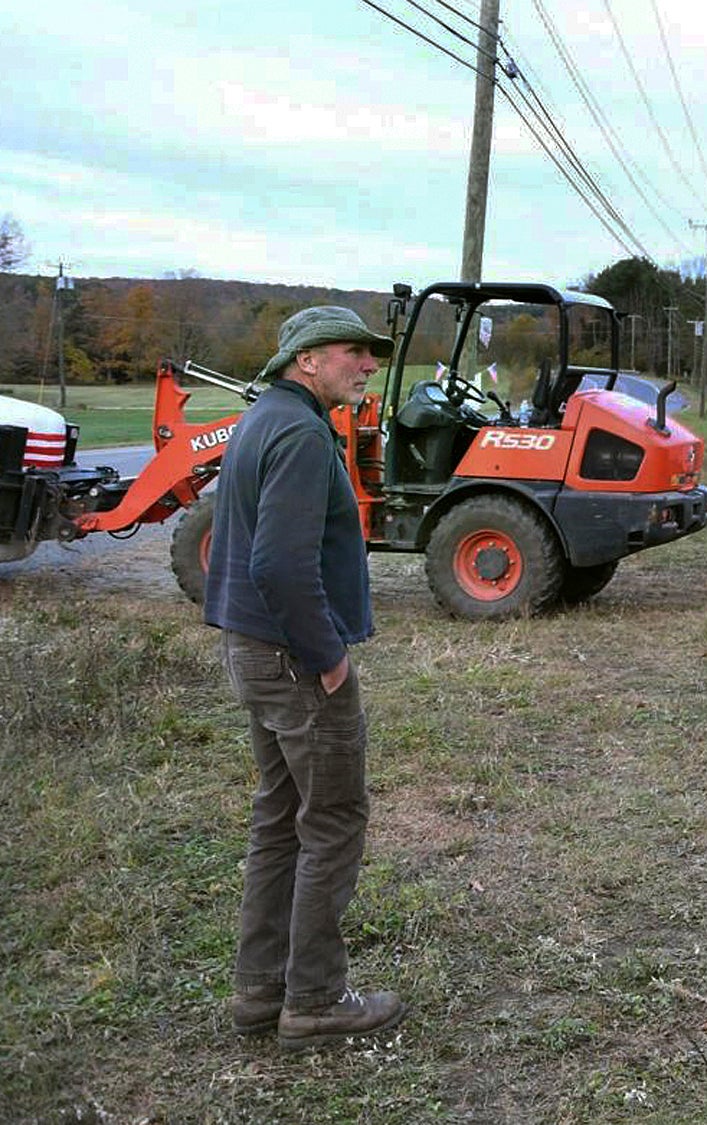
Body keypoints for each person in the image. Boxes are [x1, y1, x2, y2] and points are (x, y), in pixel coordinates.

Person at [204, 306, 406, 1050]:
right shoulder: (297, 431)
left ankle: (260, 991)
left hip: (253, 648)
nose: (366, 365)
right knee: (332, 822)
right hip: (292, 659)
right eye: (353, 351)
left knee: (281, 819)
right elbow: (279, 565)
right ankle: (316, 999)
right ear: (307, 359)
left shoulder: (264, 418)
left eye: (369, 354)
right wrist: (329, 657)